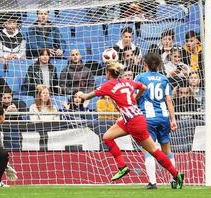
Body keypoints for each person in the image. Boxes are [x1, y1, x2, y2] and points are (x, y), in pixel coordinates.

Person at [76, 61, 184, 189]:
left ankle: (176, 175)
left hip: (135, 122)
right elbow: (144, 87)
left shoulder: (108, 85)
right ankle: (122, 167)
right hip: (128, 119)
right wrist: (135, 97)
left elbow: (87, 96)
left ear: (108, 73)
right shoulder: (128, 82)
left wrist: (79, 94)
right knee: (107, 137)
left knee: (153, 151)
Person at [134, 53, 178, 189]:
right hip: (163, 118)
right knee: (166, 149)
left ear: (145, 64)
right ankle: (174, 179)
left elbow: (133, 97)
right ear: (159, 65)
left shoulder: (140, 77)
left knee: (148, 150)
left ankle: (153, 182)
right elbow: (169, 100)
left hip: (147, 119)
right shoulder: (164, 79)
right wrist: (173, 119)